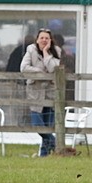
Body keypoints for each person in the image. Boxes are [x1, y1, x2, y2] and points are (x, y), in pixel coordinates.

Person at [20, 28, 62, 156]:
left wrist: (46, 53)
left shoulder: (56, 51)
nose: (44, 40)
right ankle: (56, 145)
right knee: (37, 124)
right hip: (35, 93)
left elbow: (54, 69)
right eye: (41, 38)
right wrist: (41, 73)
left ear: (50, 40)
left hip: (50, 94)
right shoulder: (30, 50)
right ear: (37, 39)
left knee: (48, 125)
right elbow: (24, 68)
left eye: (46, 38)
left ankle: (44, 155)